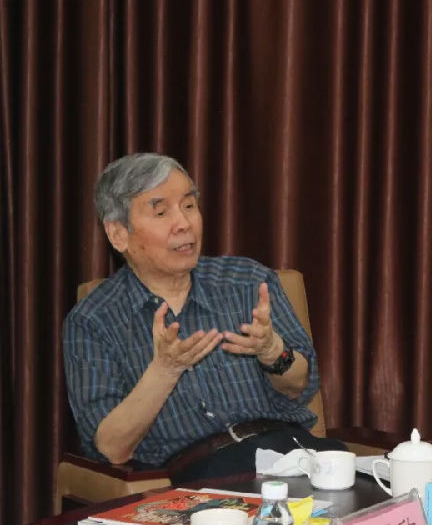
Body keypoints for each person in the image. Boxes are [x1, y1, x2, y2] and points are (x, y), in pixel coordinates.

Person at [63, 153, 345, 483]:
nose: (184, 223)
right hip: (202, 476)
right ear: (118, 234)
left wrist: (272, 351)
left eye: (189, 205)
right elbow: (111, 448)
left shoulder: (247, 281)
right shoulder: (94, 321)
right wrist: (164, 370)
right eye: (161, 212)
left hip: (293, 452)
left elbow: (300, 385)